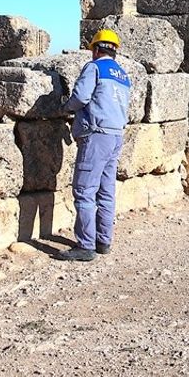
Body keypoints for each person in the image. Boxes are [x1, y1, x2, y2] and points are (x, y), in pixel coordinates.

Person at [57, 29, 131, 262]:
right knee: (106, 192)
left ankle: (85, 246)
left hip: (96, 135)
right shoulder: (123, 75)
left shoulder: (94, 68)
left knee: (84, 190)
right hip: (115, 135)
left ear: (96, 49)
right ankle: (103, 241)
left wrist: (65, 107)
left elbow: (81, 97)